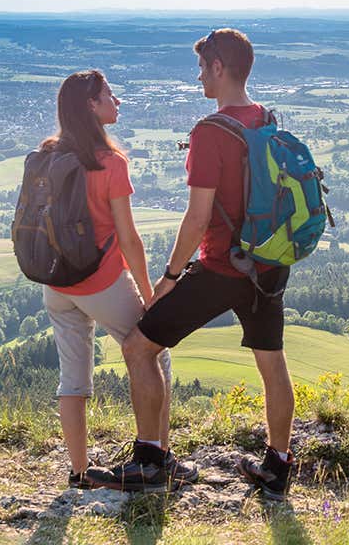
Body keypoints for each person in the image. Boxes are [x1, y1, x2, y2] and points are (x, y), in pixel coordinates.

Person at [117, 28, 297, 498]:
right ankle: (278, 468)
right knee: (272, 361)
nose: (198, 76)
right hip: (268, 264)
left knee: (139, 346)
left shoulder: (209, 132)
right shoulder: (265, 118)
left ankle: (152, 460)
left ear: (219, 67)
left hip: (221, 267)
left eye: (202, 67)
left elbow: (197, 219)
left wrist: (170, 276)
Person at [38, 70, 195, 490]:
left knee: (73, 380)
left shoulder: (49, 153)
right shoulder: (111, 162)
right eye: (110, 94)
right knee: (153, 356)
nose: (118, 101)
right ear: (91, 105)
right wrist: (150, 295)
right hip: (101, 284)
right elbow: (128, 238)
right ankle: (158, 460)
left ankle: (79, 473)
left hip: (56, 285)